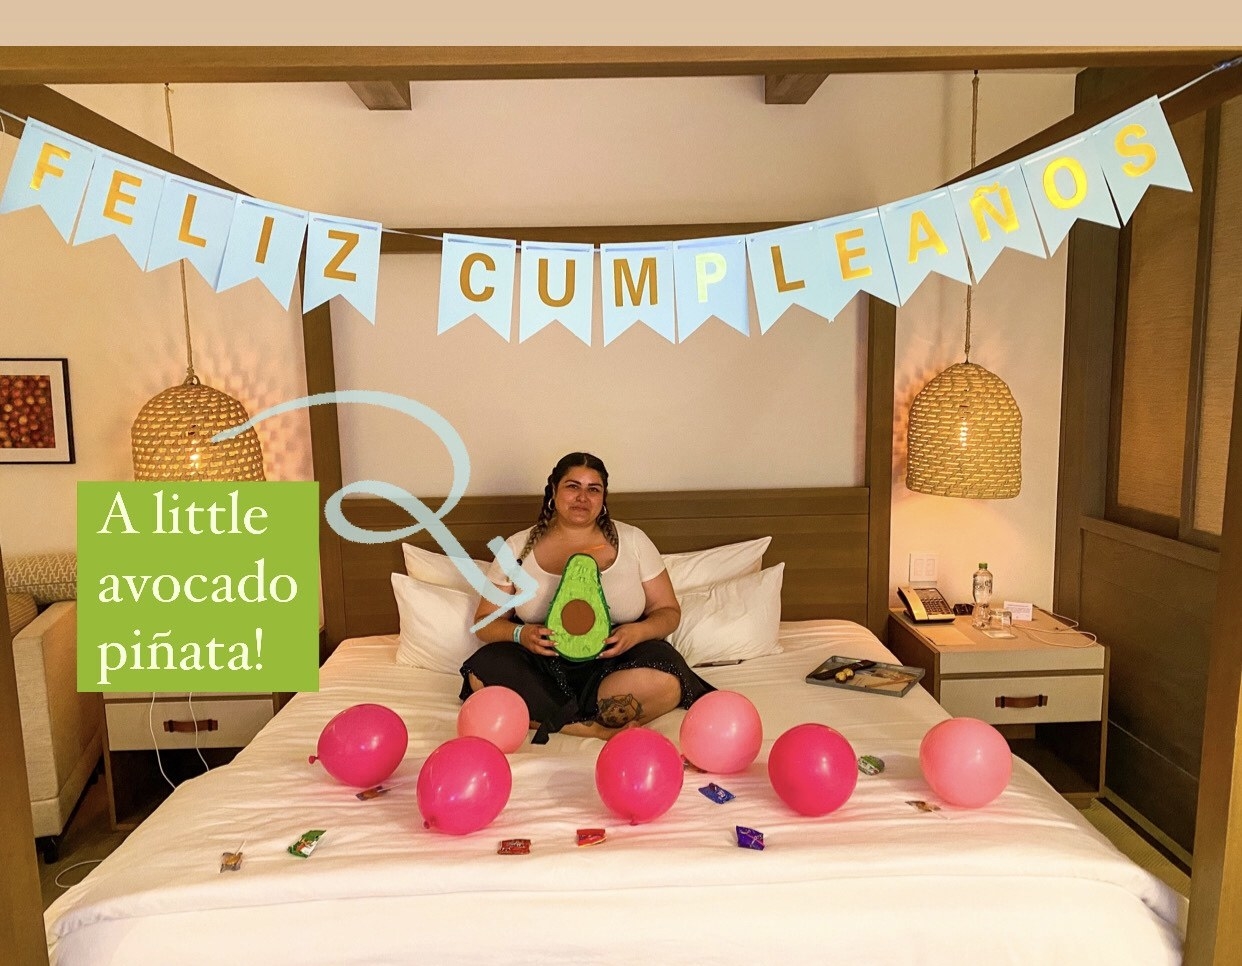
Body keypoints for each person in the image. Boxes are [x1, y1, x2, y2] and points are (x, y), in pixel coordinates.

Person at [461, 452, 714, 742]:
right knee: (483, 671)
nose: (583, 497)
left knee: (667, 677)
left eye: (593, 489)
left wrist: (639, 631)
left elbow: (668, 610)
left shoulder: (633, 540)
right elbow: (484, 622)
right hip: (542, 662)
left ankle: (552, 715)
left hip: (615, 660)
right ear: (553, 491)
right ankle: (591, 728)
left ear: (603, 498)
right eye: (572, 486)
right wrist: (521, 634)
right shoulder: (516, 547)